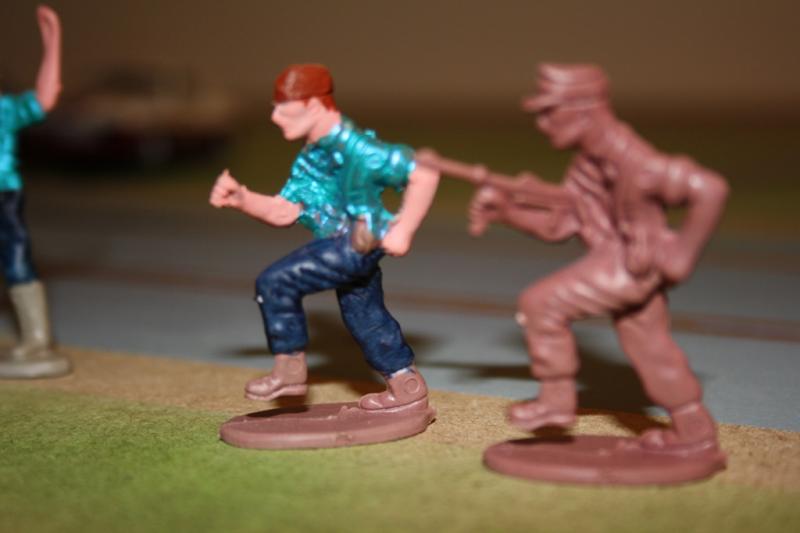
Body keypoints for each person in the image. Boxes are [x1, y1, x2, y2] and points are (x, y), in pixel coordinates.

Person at [469, 63, 729, 453]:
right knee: (650, 347)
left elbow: (710, 188)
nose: (543, 124)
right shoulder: (588, 163)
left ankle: (556, 401)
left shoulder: (636, 161)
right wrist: (507, 212)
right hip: (622, 263)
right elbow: (562, 224)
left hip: (628, 265)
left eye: (550, 111)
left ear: (584, 109)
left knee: (541, 304)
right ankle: (693, 429)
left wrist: (682, 255)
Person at [210, 64, 439, 411]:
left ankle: (289, 370)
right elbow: (285, 211)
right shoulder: (311, 156)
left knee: (276, 282)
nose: (275, 117)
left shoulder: (360, 149)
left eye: (284, 109)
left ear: (314, 105)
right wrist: (243, 199)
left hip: (355, 243)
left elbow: (424, 172)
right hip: (345, 243)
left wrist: (404, 230)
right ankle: (406, 384)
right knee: (365, 316)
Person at [0, 6, 68, 378]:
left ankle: (37, 339)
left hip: (5, 194)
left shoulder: (5, 109)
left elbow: (45, 97)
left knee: (17, 261)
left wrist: (52, 40)